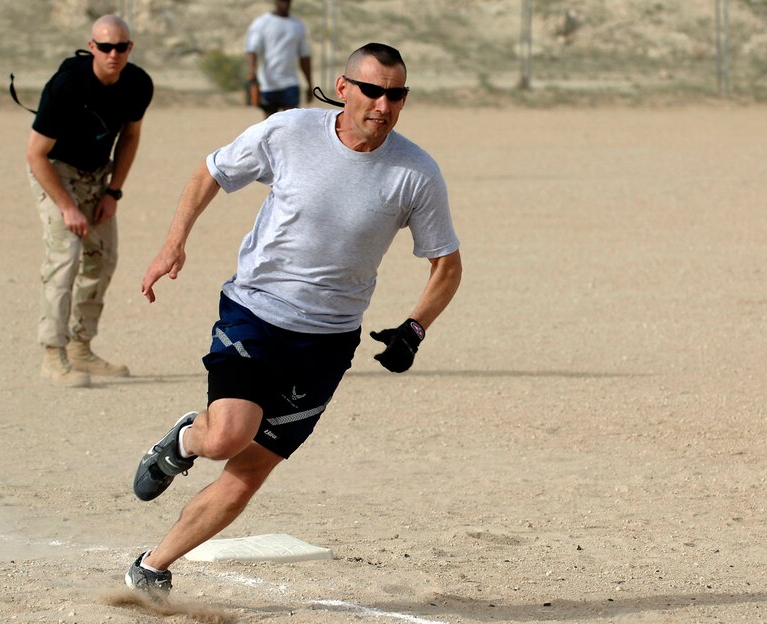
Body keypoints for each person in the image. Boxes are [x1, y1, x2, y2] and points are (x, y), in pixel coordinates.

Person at [125, 42, 462, 599]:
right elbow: (211, 171)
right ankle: (184, 442)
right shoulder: (290, 132)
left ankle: (151, 566)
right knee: (227, 436)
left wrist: (414, 329)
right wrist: (172, 245)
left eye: (396, 94)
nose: (383, 104)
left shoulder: (416, 173)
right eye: (373, 90)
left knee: (251, 471)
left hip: (328, 343)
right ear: (344, 86)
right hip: (257, 311)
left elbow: (446, 264)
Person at [26, 14, 153, 387]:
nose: (114, 54)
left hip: (98, 175)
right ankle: (53, 354)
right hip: (55, 171)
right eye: (105, 47)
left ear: (129, 48)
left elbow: (130, 137)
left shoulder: (137, 83)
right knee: (65, 255)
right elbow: (35, 154)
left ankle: (81, 347)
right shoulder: (67, 85)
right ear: (92, 47)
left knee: (103, 258)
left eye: (122, 47)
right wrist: (66, 206)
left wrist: (113, 191)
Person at [244, 0, 313, 117]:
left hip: (290, 83)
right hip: (268, 83)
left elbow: (304, 57)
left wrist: (309, 84)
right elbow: (252, 49)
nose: (284, 4)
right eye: (281, 1)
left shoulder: (297, 25)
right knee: (269, 124)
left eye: (287, 1)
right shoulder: (262, 23)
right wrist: (252, 73)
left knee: (292, 123)